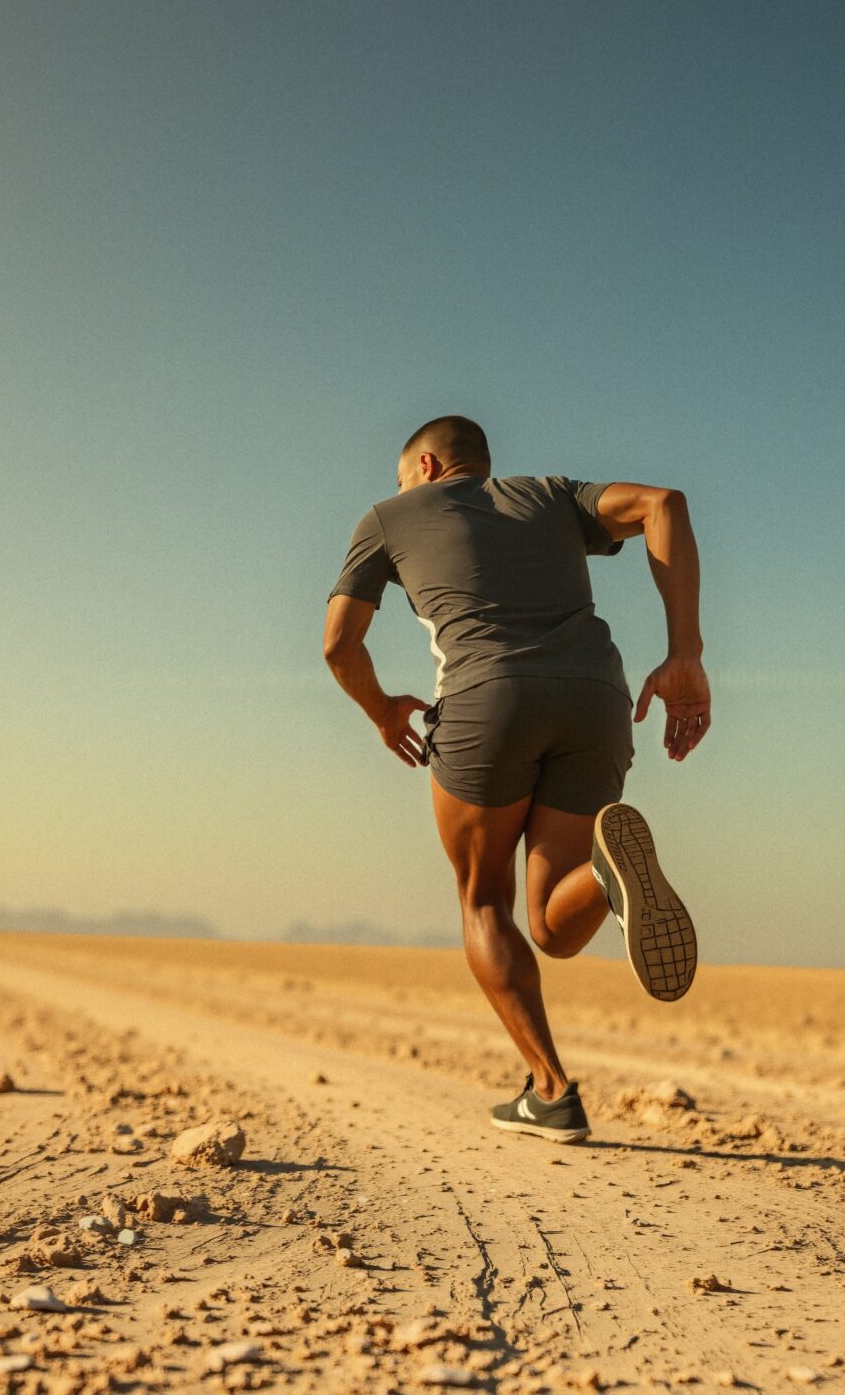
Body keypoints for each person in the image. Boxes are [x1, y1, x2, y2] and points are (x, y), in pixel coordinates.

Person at [321, 414, 709, 1144]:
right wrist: (684, 650)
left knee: (483, 897)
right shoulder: (551, 495)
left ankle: (552, 1088)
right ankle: (605, 870)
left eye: (404, 478)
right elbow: (666, 503)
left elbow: (340, 645)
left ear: (428, 467)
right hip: (597, 696)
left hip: (485, 699)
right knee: (552, 927)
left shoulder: (388, 517)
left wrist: (380, 711)